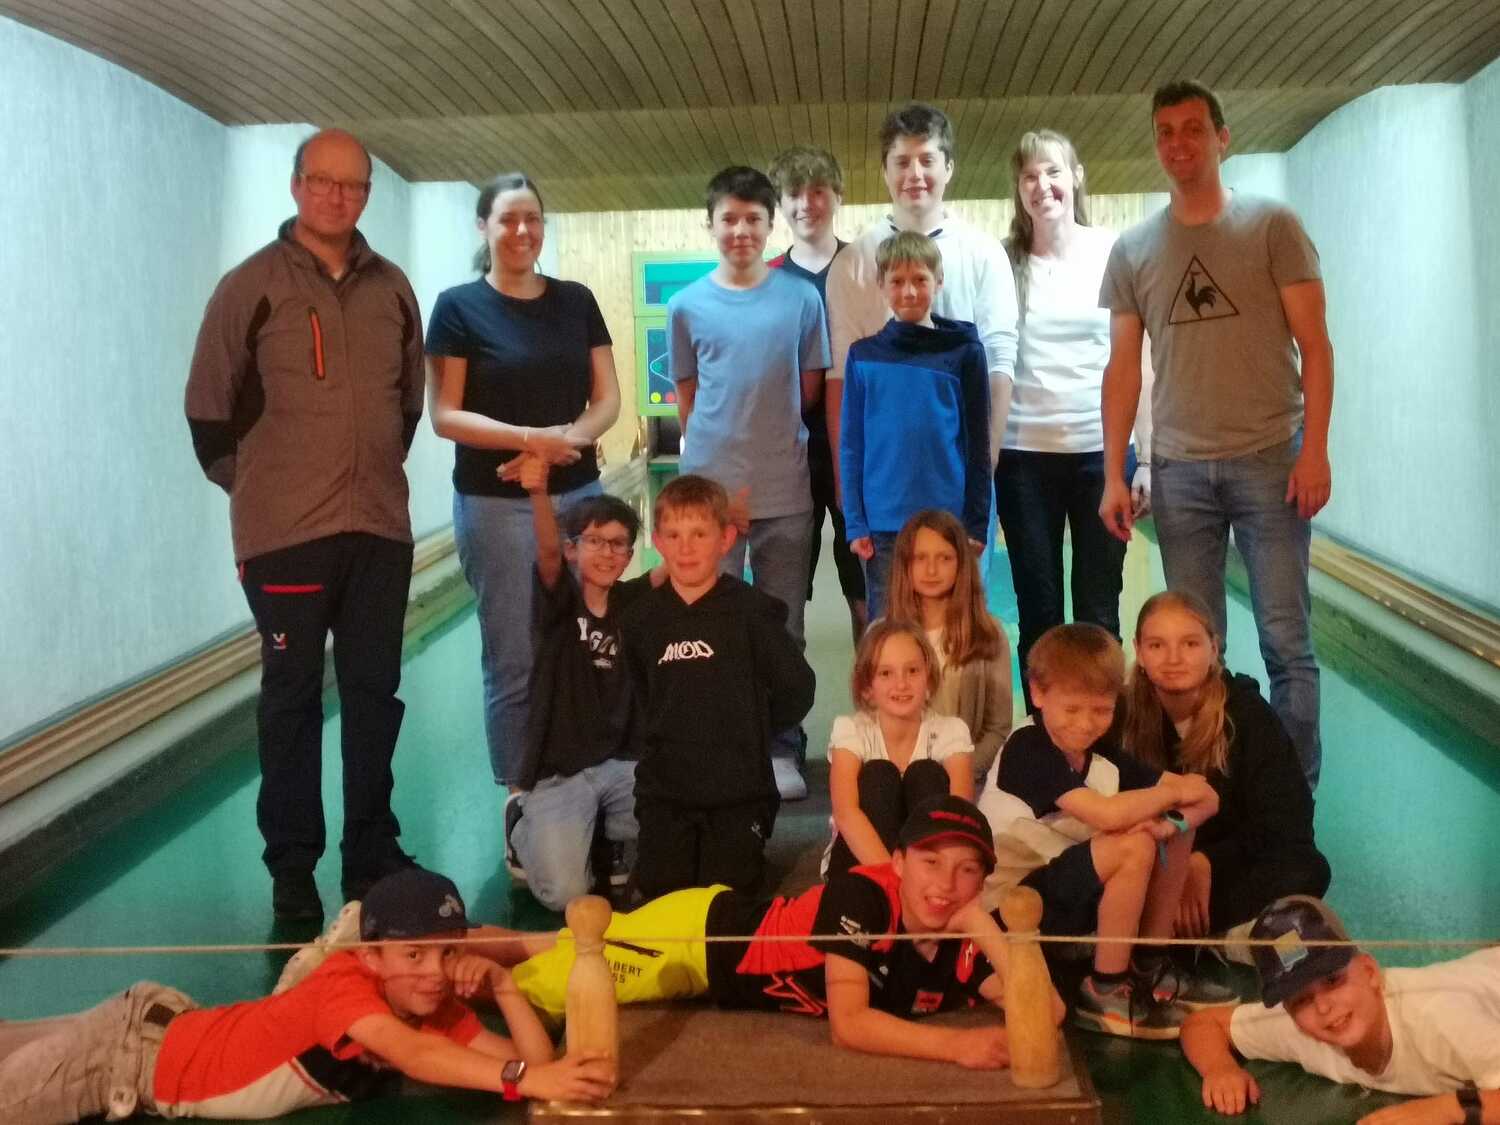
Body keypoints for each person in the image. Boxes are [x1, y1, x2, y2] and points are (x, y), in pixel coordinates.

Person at [185, 128, 423, 920]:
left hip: (378, 530)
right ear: (296, 185)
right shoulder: (249, 286)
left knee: (374, 693)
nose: (337, 195)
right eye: (323, 180)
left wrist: (361, 473)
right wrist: (265, 490)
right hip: (286, 538)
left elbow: (406, 408)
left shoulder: (393, 290)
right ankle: (292, 864)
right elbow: (208, 415)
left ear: (367, 195)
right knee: (290, 697)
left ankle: (370, 852)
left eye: (353, 185)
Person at [1099, 80, 1336, 789]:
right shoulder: (1134, 248)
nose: (1179, 143)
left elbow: (1316, 347)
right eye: (1165, 132)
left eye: (1193, 129)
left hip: (1270, 459)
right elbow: (1122, 368)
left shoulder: (1272, 226)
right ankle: (1213, 795)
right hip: (1181, 471)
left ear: (1222, 139)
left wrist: (1315, 450)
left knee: (1286, 643)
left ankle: (1293, 798)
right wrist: (1114, 472)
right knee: (1196, 650)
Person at [476, 797, 1063, 1069]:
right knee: (543, 985)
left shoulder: (966, 939)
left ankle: (469, 938)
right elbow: (851, 1025)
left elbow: (1049, 1012)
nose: (946, 886)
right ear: (899, 862)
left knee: (564, 944)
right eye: (931, 863)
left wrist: (980, 923)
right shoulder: (862, 896)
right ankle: (442, 956)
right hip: (700, 943)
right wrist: (956, 1047)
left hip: (708, 928)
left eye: (967, 871)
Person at [0, 869, 614, 1123]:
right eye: (414, 954)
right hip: (124, 1056)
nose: (435, 971)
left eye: (449, 952)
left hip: (167, 1022)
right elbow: (417, 1056)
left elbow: (539, 1070)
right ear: (370, 957)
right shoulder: (348, 988)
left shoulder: (435, 1006)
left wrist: (504, 986)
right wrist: (526, 1079)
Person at [425, 172, 620, 799]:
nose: (521, 230)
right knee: (514, 654)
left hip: (579, 498)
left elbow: (608, 399)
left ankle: (590, 782)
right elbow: (445, 414)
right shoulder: (458, 307)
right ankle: (521, 795)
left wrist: (566, 442)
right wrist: (532, 439)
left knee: (589, 641)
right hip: (494, 504)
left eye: (532, 218)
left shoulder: (576, 301)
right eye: (507, 218)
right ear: (483, 226)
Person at [668, 166, 831, 801]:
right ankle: (721, 746)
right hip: (709, 499)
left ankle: (781, 745)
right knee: (708, 627)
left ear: (771, 225)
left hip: (783, 489)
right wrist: (717, 458)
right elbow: (688, 395)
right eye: (728, 219)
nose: (741, 230)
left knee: (782, 627)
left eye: (753, 219)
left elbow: (807, 387)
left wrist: (765, 439)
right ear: (710, 224)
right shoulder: (686, 306)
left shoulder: (801, 299)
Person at [978, 623, 1225, 1039]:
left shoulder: (1098, 752)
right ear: (1038, 694)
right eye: (1072, 709)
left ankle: (1149, 965)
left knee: (1169, 829)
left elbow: (1207, 798)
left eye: (1101, 711)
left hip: (1062, 900)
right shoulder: (1028, 747)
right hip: (1008, 911)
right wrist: (1170, 797)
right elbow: (1108, 815)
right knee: (1133, 844)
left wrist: (1170, 823)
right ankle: (1105, 987)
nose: (1086, 724)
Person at [997, 129, 1152, 714]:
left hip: (1102, 456)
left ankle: (1102, 731)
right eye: (1030, 176)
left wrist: (1146, 457)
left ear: (1077, 176)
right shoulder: (1003, 261)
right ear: (1018, 188)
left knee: (1098, 608)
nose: (1043, 186)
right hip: (1023, 458)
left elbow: (1138, 360)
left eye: (1053, 172)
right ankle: (1044, 735)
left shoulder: (1112, 251)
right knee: (1038, 611)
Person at [619, 475, 816, 898]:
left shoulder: (753, 613)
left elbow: (797, 688)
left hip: (738, 791)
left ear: (725, 539)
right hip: (666, 792)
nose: (686, 547)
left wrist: (753, 726)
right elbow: (636, 695)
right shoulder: (640, 621)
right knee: (663, 895)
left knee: (727, 898)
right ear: (658, 542)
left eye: (699, 534)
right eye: (674, 535)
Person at [826, 102, 1018, 501]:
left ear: (949, 168)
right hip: (885, 475)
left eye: (927, 160)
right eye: (902, 162)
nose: (914, 174)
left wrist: (988, 457)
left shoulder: (984, 252)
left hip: (961, 468)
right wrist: (846, 477)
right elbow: (841, 375)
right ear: (885, 171)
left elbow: (999, 358)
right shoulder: (852, 263)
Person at [1182, 896, 1500, 1123]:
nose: (1323, 1006)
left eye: (1333, 979)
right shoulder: (1299, 1029)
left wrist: (1442, 1110)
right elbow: (1204, 1023)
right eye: (1300, 999)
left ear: (1370, 972)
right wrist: (1220, 1068)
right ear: (1290, 1013)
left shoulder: (1440, 1015)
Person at [1123, 591, 1329, 941]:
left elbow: (1287, 821)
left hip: (1225, 867)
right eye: (1157, 645)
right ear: (1139, 652)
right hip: (1152, 865)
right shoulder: (1122, 716)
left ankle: (1182, 930)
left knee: (1308, 869)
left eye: (1190, 644)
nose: (1174, 658)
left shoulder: (1248, 715)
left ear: (1213, 649)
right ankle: (1200, 931)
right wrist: (1173, 871)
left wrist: (1205, 862)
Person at [506, 456, 657, 910]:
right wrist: (538, 492)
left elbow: (680, 563)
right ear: (573, 549)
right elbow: (547, 553)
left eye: (618, 544)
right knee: (566, 895)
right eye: (594, 541)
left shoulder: (633, 602)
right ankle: (521, 827)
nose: (607, 553)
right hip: (562, 772)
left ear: (629, 555)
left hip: (623, 766)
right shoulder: (558, 604)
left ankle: (602, 837)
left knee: (668, 836)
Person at [840, 232, 991, 617]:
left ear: (938, 281)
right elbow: (852, 446)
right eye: (897, 281)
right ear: (881, 285)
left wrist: (976, 522)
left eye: (920, 280)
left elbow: (977, 444)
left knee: (948, 627)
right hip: (883, 525)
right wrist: (856, 523)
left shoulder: (964, 353)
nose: (909, 291)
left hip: (947, 520)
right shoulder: (863, 356)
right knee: (889, 626)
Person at [767, 146, 868, 646]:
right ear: (780, 203)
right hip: (790, 453)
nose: (807, 203)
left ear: (837, 197)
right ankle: (785, 698)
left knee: (864, 591)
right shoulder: (767, 277)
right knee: (784, 594)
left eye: (818, 191)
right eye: (794, 193)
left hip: (857, 450)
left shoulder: (866, 267)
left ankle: (874, 690)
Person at [824, 620, 974, 878]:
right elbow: (846, 813)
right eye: (886, 673)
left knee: (926, 773)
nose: (901, 684)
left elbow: (960, 810)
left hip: (929, 872)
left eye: (912, 671)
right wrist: (895, 880)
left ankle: (926, 883)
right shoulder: (851, 729)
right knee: (878, 774)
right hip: (863, 865)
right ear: (867, 687)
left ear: (929, 679)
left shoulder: (950, 731)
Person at [883, 510, 1013, 780]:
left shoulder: (988, 633)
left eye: (944, 558)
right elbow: (870, 722)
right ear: (904, 564)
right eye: (920, 558)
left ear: (961, 564)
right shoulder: (881, 634)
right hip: (897, 777)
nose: (931, 570)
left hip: (962, 779)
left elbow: (997, 729)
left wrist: (958, 773)